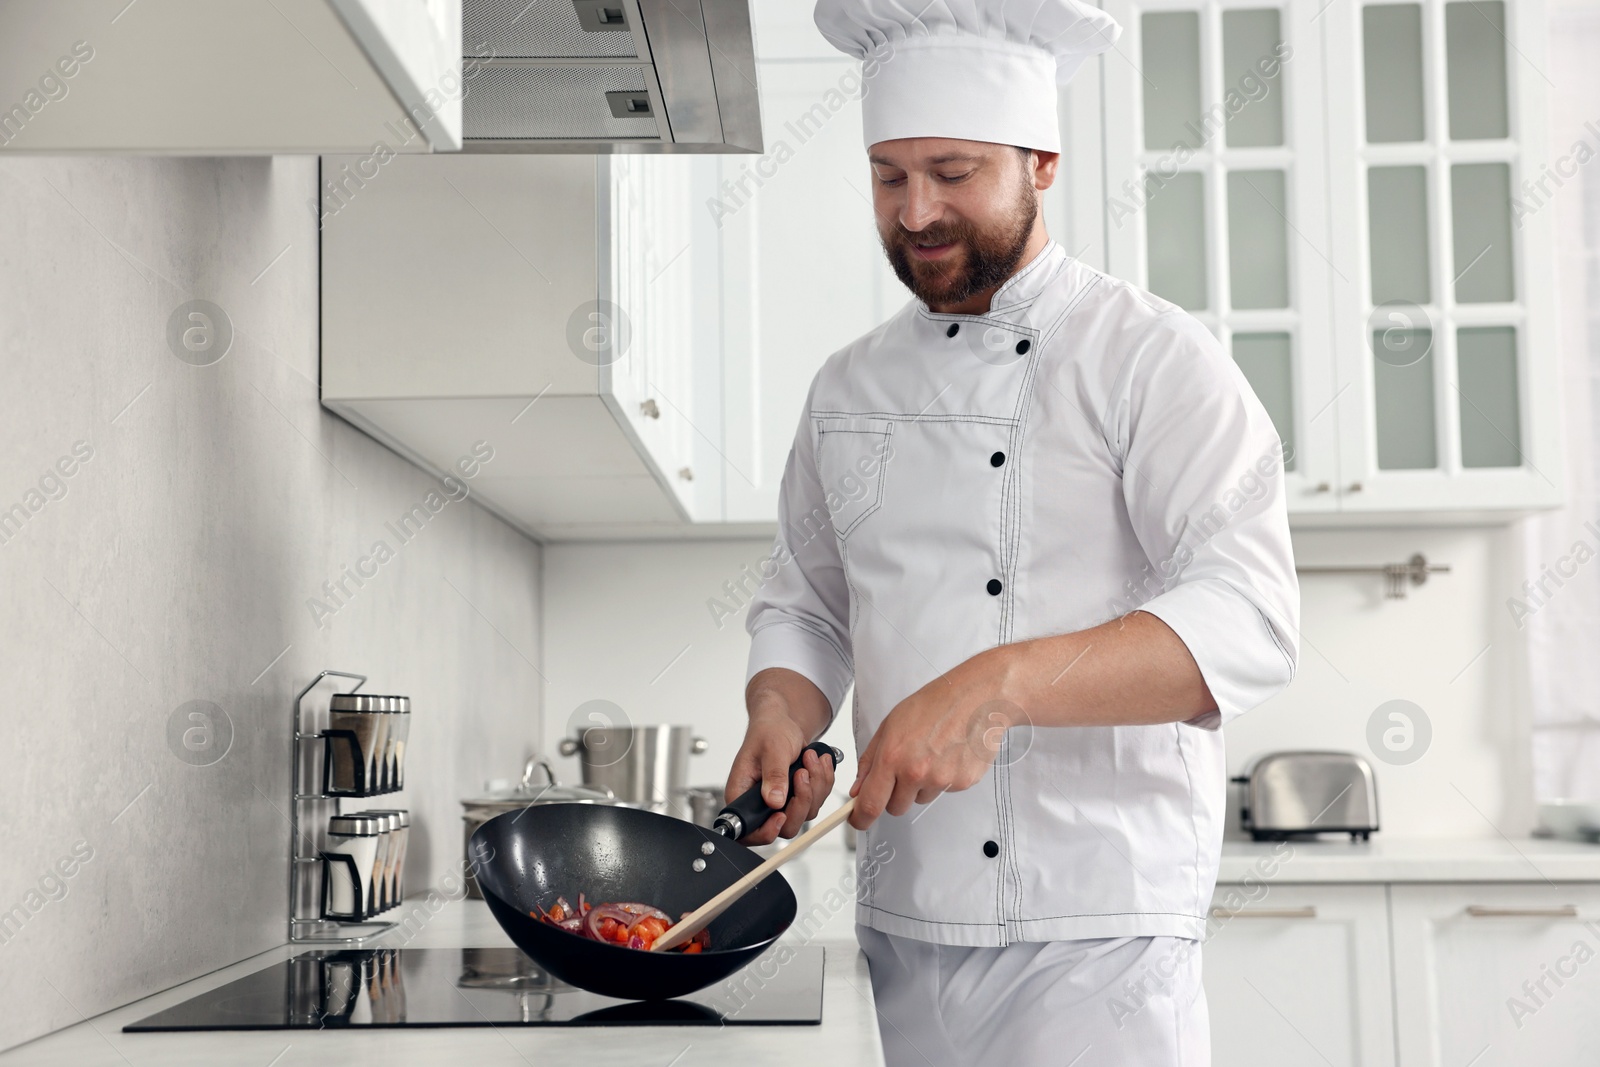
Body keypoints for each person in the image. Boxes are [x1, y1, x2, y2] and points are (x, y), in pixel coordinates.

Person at [724, 2, 1300, 1063]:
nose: (915, 211)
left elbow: (1249, 614)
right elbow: (807, 601)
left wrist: (995, 682)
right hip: (905, 915)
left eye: (952, 171)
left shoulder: (1151, 359)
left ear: (1041, 163)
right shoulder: (846, 386)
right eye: (889, 177)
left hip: (1100, 925)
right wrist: (780, 711)